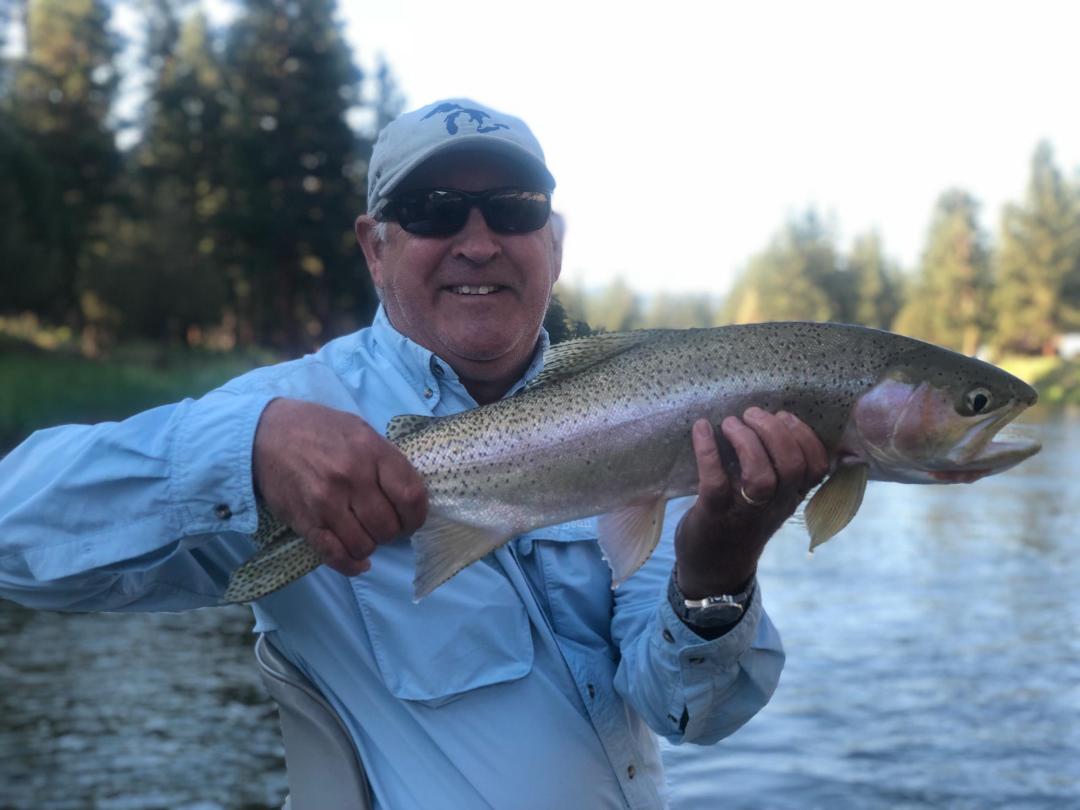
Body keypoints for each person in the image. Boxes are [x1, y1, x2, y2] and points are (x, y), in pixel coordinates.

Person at [0, 98, 829, 809]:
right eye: (433, 210)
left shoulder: (650, 417)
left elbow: (690, 713)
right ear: (375, 246)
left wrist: (718, 574)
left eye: (513, 208)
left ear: (554, 243)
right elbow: (14, 538)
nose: (479, 241)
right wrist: (245, 449)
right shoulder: (291, 415)